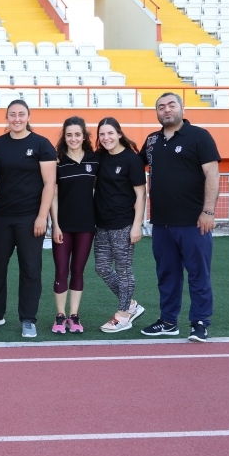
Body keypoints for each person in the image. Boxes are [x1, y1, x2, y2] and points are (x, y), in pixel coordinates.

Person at [139, 93, 221, 343]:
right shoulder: (152, 140)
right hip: (161, 223)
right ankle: (168, 321)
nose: (166, 110)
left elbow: (212, 174)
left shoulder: (199, 136)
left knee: (198, 275)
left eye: (171, 105)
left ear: (181, 108)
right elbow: (132, 166)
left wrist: (208, 211)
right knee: (167, 276)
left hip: (193, 223)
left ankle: (199, 323)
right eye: (161, 107)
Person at [0, 99, 57, 338]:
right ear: (6, 117)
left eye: (21, 114)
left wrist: (42, 216)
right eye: (12, 114)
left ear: (28, 116)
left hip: (30, 218)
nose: (17, 119)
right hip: (1, 216)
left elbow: (49, 184)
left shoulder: (41, 144)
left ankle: (28, 319)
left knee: (30, 268)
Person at [93, 117, 147, 333]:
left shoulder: (131, 160)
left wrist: (137, 225)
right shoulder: (99, 157)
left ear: (119, 134)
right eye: (102, 134)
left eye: (110, 133)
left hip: (123, 224)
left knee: (123, 270)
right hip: (101, 224)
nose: (106, 138)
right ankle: (131, 305)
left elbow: (141, 195)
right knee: (102, 268)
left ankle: (123, 315)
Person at [49, 116, 98, 334]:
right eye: (69, 135)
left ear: (84, 136)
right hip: (63, 227)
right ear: (64, 136)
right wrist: (55, 225)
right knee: (61, 270)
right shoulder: (57, 161)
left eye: (77, 134)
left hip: (86, 226)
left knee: (78, 270)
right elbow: (53, 196)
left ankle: (74, 316)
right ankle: (60, 316)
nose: (73, 138)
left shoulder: (94, 160)